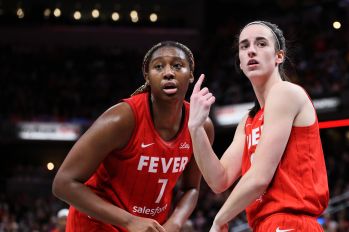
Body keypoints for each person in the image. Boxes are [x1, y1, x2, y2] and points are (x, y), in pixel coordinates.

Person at [52, 41, 214, 232]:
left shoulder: (201, 124)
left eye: (177, 65)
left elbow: (192, 189)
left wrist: (174, 224)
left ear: (191, 74)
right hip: (97, 223)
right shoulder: (122, 118)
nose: (168, 72)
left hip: (150, 226)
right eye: (158, 66)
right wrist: (129, 221)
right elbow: (63, 184)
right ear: (148, 76)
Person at [188, 21, 329, 231]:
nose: (251, 50)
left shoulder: (285, 93)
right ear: (241, 62)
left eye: (261, 44)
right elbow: (219, 180)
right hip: (265, 224)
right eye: (244, 46)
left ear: (279, 56)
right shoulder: (248, 121)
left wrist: (220, 219)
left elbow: (260, 177)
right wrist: (195, 128)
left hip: (291, 221)